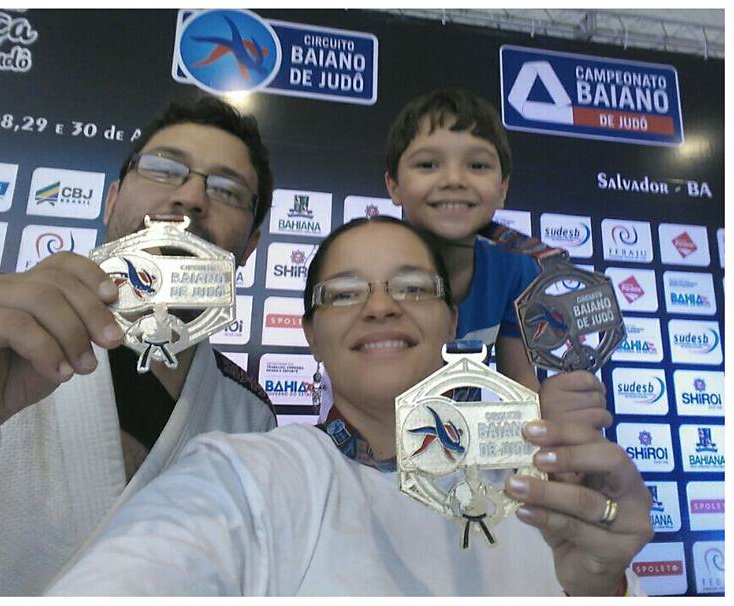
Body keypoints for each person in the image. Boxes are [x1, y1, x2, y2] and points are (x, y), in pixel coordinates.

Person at [48, 217, 653, 596]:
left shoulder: (542, 499)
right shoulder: (250, 477)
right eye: (344, 293)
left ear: (450, 320)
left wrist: (601, 588)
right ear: (311, 334)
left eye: (412, 287)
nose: (382, 306)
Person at [0, 94, 277, 596]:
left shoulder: (248, 416)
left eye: (227, 190)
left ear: (249, 245)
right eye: (164, 169)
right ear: (112, 199)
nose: (190, 196)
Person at [385, 87, 542, 391]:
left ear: (503, 189)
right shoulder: (367, 265)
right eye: (428, 164)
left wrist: (550, 413)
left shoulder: (516, 268)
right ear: (394, 185)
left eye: (477, 165)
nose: (454, 180)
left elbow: (520, 382)